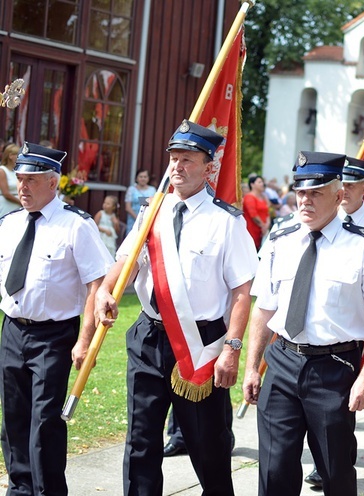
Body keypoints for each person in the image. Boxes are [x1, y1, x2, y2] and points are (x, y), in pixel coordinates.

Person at [94, 120, 257, 495]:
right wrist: (107, 288)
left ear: (209, 166)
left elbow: (242, 292)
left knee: (208, 446)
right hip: (148, 336)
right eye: (173, 158)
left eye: (187, 159)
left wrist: (232, 348)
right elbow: (128, 259)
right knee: (140, 442)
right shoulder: (153, 211)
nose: (177, 167)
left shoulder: (226, 222)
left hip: (201, 344)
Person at [242, 151, 364, 496]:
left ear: (339, 195)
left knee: (335, 470)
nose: (305, 201)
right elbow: (264, 310)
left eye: (315, 193)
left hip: (333, 367)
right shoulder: (279, 240)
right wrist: (252, 367)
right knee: (273, 469)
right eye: (300, 192)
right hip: (282, 361)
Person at [0, 142, 113, 495]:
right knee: (14, 420)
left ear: (53, 183)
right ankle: (20, 489)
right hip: (13, 331)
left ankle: (48, 490)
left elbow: (98, 282)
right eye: (19, 179)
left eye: (31, 180)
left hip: (54, 336)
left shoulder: (76, 226)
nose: (22, 187)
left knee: (45, 422)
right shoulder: (9, 223)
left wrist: (84, 340)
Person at [301, 155, 364, 489]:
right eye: (340, 183)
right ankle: (323, 462)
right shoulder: (307, 224)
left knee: (341, 406)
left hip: (353, 326)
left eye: (351, 184)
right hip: (314, 325)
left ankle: (339, 457)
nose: (344, 190)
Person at [242, 174, 271, 249]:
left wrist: (267, 225)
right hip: (252, 231)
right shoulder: (249, 197)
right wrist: (263, 226)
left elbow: (267, 213)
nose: (262, 184)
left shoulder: (262, 197)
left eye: (262, 182)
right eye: (259, 182)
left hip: (263, 231)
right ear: (252, 184)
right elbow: (253, 215)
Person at [124, 168, 156, 234]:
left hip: (147, 221)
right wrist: (138, 219)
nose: (143, 179)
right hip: (133, 220)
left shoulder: (152, 190)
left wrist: (145, 220)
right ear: (136, 178)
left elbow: (154, 205)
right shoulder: (131, 189)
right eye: (141, 177)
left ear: (148, 178)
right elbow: (128, 207)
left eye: (145, 177)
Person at [94, 194, 121, 258]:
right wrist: (105, 230)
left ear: (113, 207)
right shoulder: (100, 213)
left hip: (110, 240)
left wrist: (116, 223)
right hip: (101, 237)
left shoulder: (114, 216)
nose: (105, 205)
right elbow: (94, 226)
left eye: (108, 204)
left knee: (109, 253)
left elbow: (117, 231)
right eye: (104, 203)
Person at [0, 143, 21, 216]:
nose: (20, 158)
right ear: (10, 156)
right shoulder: (2, 171)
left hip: (17, 208)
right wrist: (21, 202)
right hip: (6, 206)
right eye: (18, 156)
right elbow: (6, 193)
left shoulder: (15, 172)